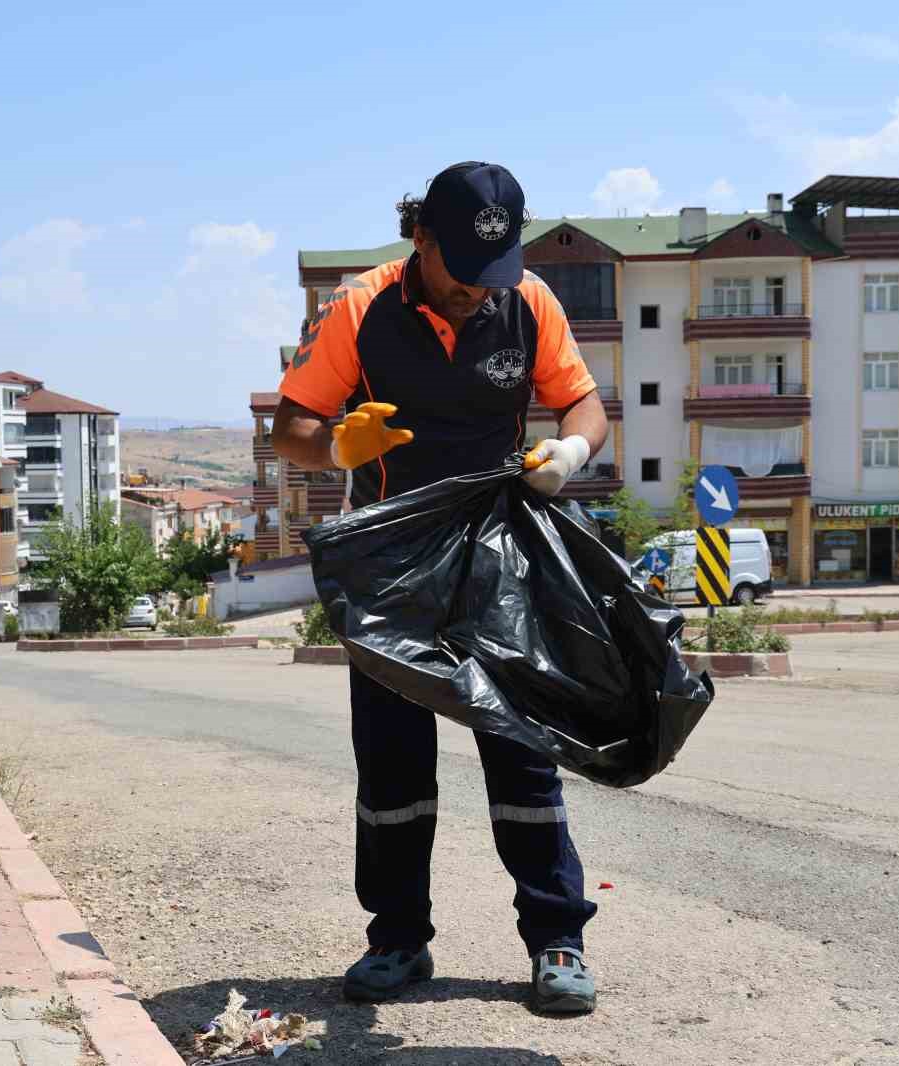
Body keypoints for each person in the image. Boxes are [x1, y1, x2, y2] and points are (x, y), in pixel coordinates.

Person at [271, 161, 610, 1014]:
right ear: (419, 237)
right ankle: (396, 942)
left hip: (500, 555)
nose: (474, 293)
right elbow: (292, 430)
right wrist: (339, 450)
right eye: (460, 271)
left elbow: (584, 408)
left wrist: (567, 455)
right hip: (391, 567)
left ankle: (557, 939)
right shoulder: (358, 306)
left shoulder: (529, 302)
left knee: (524, 752)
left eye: (489, 275)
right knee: (392, 767)